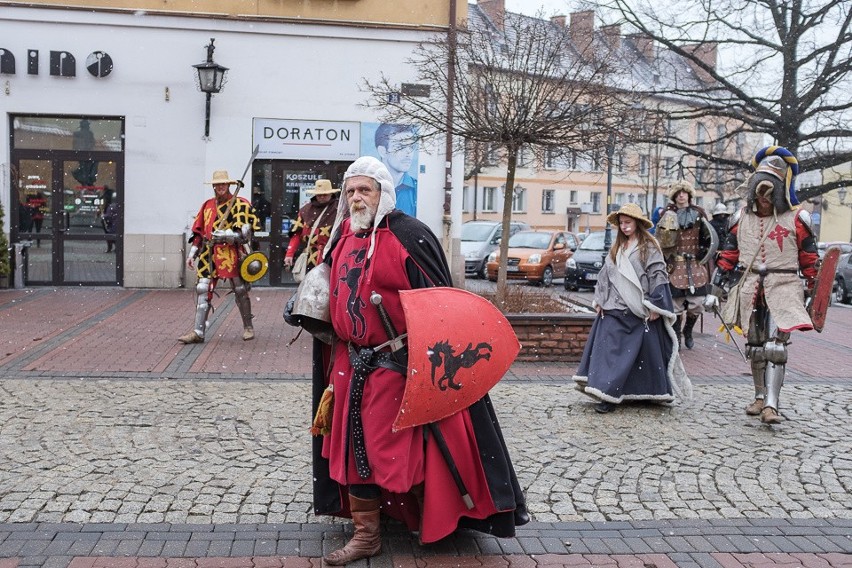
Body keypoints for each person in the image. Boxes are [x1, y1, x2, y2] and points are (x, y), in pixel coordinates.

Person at [285, 156, 527, 565]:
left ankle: (421, 513)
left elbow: (441, 308)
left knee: (397, 450)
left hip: (395, 366)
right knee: (350, 450)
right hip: (349, 362)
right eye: (351, 191)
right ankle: (367, 535)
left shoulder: (409, 236)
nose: (357, 197)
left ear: (384, 193)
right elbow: (325, 288)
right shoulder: (342, 236)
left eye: (365, 189)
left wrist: (424, 366)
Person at [704, 147, 818, 425]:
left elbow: (809, 256)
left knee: (776, 347)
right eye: (760, 193)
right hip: (751, 284)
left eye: (769, 194)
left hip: (785, 285)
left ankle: (771, 405)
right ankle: (758, 396)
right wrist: (715, 290)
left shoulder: (797, 218)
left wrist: (815, 289)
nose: (763, 200)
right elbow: (729, 254)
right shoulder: (741, 217)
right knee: (755, 346)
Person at [573, 203, 690, 413]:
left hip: (640, 309)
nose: (624, 227)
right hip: (614, 307)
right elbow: (605, 276)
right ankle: (607, 394)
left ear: (637, 223)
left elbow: (658, 275)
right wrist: (599, 300)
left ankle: (645, 393)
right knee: (608, 351)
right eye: (621, 223)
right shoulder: (617, 247)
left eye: (628, 223)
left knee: (643, 354)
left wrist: (656, 305)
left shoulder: (649, 247)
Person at [179, 170, 259, 344]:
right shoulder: (207, 205)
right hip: (209, 253)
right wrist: (192, 253)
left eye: (223, 184)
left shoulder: (240, 204)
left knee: (240, 291)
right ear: (213, 186)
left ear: (229, 185)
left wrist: (226, 235)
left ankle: (248, 327)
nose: (220, 187)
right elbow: (199, 232)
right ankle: (198, 332)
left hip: (230, 253)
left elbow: (244, 235)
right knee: (202, 289)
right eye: (217, 184)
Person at [655, 181, 717, 349]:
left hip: (695, 264)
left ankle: (688, 330)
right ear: (674, 196)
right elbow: (661, 240)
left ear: (689, 195)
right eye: (678, 193)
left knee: (697, 303)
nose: (681, 195)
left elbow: (707, 238)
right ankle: (676, 338)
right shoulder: (667, 215)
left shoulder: (699, 213)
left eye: (684, 192)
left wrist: (704, 253)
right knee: (675, 304)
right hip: (675, 264)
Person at [283, 179, 339, 275]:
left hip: (333, 255)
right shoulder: (306, 210)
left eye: (324, 194)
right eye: (319, 195)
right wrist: (289, 254)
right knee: (309, 287)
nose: (321, 197)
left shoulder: (340, 209)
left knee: (331, 286)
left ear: (331, 194)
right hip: (310, 258)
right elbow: (296, 233)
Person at [374, 123, 417, 217]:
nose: (408, 153)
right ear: (382, 151)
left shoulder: (417, 189)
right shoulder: (369, 188)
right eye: (400, 147)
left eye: (411, 147)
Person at [100, 187, 120, 253]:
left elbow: (108, 217)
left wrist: (103, 216)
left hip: (113, 228)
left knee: (109, 236)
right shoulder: (119, 206)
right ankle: (117, 248)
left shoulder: (112, 206)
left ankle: (110, 248)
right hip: (118, 227)